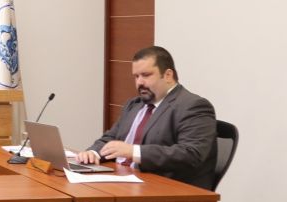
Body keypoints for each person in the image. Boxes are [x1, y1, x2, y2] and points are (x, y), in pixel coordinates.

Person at [77, 45, 217, 188]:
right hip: (122, 181)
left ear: (168, 75)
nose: (139, 82)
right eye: (136, 76)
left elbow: (191, 154)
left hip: (164, 191)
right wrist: (93, 152)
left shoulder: (193, 106)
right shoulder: (134, 104)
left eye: (146, 75)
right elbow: (111, 138)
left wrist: (134, 151)